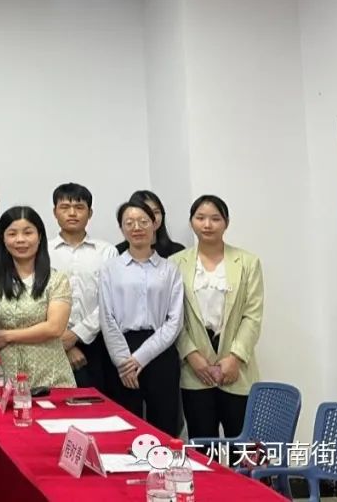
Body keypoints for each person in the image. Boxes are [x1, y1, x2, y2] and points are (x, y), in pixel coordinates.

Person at [172, 195, 264, 441]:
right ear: (191, 222)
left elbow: (252, 315)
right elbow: (172, 318)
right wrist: (191, 355)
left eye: (215, 218)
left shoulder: (248, 262)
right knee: (202, 446)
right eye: (200, 218)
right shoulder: (175, 263)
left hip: (236, 369)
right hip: (195, 370)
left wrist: (235, 358)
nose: (207, 224)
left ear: (226, 223)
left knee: (242, 447)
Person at [99, 201, 184, 435]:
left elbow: (174, 321)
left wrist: (141, 357)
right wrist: (124, 363)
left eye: (143, 221)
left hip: (160, 350)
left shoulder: (170, 269)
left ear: (155, 224)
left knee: (164, 424)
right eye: (129, 223)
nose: (137, 227)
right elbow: (107, 317)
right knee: (125, 426)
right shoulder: (110, 268)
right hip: (122, 351)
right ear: (121, 228)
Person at [0, 206, 75, 389]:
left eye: (28, 232)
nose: (20, 239)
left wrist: (8, 336)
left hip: (50, 377)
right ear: (2, 239)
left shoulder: (56, 279)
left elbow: (55, 328)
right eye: (12, 234)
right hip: (4, 377)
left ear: (39, 237)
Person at [47, 183, 118, 390]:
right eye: (65, 207)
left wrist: (77, 334)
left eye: (79, 207)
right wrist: (63, 342)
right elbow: (38, 299)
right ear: (55, 212)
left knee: (98, 403)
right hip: (52, 341)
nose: (72, 213)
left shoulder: (107, 251)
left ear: (90, 213)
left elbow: (110, 300)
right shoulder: (42, 251)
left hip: (98, 342)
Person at [116, 189, 185, 258]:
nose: (152, 218)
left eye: (156, 212)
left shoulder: (178, 251)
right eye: (145, 212)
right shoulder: (118, 252)